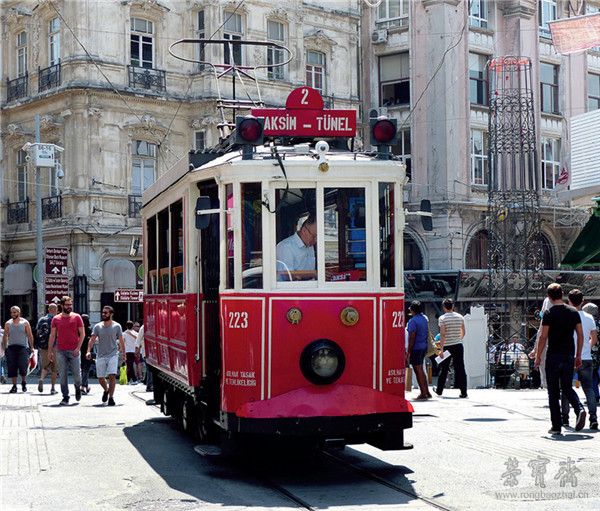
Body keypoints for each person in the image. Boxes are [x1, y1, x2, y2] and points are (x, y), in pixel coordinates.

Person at [535, 283, 586, 435]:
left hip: (553, 355)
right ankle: (579, 408)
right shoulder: (573, 312)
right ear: (562, 294)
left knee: (553, 391)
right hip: (569, 354)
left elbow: (543, 336)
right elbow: (581, 334)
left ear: (549, 297)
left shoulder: (549, 313)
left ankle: (556, 426)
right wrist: (578, 355)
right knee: (567, 387)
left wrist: (538, 357)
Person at [560, 290, 598, 429]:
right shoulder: (589, 317)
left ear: (568, 301)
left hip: (568, 357)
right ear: (582, 301)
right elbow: (594, 338)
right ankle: (593, 418)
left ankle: (565, 418)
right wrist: (586, 347)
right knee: (588, 389)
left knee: (565, 388)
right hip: (586, 357)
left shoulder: (565, 316)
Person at [48, 296, 85, 405]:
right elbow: (52, 335)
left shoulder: (77, 317)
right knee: (63, 375)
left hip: (74, 350)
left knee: (77, 375)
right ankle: (65, 397)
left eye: (70, 305)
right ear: (62, 305)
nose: (69, 307)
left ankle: (78, 388)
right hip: (61, 351)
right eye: (67, 305)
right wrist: (50, 351)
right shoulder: (56, 319)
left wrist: (78, 348)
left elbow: (82, 334)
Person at [86, 306, 124, 406]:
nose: (103, 314)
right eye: (103, 312)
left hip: (113, 354)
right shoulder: (97, 326)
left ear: (111, 314)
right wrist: (88, 351)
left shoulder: (117, 326)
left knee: (112, 375)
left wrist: (124, 354)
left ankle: (111, 397)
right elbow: (92, 339)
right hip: (101, 355)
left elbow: (121, 340)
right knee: (100, 377)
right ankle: (106, 390)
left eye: (106, 313)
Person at [435, 298, 468, 398]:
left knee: (444, 368)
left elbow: (443, 334)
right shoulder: (460, 317)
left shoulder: (442, 318)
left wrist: (441, 350)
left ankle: (439, 390)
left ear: (444, 307)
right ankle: (463, 391)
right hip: (458, 345)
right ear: (453, 306)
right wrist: (458, 339)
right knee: (460, 368)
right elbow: (463, 331)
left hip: (447, 347)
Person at [2, 306, 34, 393]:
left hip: (23, 348)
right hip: (11, 348)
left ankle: (23, 382)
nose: (13, 314)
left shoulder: (25, 323)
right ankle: (14, 386)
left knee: (23, 367)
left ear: (19, 313)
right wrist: (5, 348)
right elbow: (5, 336)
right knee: (12, 367)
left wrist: (32, 347)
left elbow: (30, 335)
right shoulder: (8, 323)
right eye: (12, 312)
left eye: (15, 312)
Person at [275, 214, 317, 281]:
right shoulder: (285, 247)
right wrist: (314, 274)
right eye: (314, 236)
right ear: (304, 231)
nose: (316, 240)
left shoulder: (309, 245)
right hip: (291, 289)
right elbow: (287, 275)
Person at [406, 301, 431, 400]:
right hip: (424, 346)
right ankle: (427, 391)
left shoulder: (413, 321)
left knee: (418, 370)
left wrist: (409, 351)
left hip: (416, 348)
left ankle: (423, 393)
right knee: (421, 369)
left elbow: (412, 337)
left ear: (413, 310)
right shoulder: (425, 318)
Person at [36, 303, 59, 394]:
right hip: (55, 346)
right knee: (54, 368)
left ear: (48, 310)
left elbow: (37, 332)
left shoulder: (41, 319)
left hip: (43, 346)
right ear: (56, 310)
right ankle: (53, 388)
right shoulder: (57, 319)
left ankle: (41, 379)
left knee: (46, 366)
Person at [582, 302, 600, 404]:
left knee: (591, 376)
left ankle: (594, 396)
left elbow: (592, 339)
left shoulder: (590, 324)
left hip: (592, 353)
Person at [136, 324, 153, 392]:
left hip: (152, 352)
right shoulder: (143, 327)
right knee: (149, 369)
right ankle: (149, 385)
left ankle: (148, 383)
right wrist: (137, 350)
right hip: (146, 352)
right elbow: (138, 339)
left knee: (150, 369)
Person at [80, 314, 93, 395]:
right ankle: (83, 386)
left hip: (79, 351)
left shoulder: (79, 329)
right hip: (88, 351)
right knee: (86, 370)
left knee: (83, 369)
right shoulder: (89, 329)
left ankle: (85, 386)